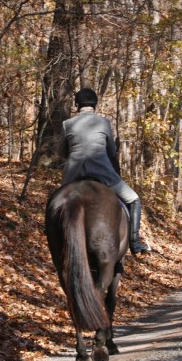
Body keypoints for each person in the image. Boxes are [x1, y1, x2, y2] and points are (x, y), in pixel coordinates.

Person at [57, 88, 151, 255]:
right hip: (103, 173)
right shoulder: (103, 123)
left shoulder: (67, 124)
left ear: (77, 105)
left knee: (56, 203)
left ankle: (51, 230)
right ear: (95, 105)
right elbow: (111, 151)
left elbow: (62, 152)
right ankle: (135, 242)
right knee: (134, 199)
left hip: (73, 176)